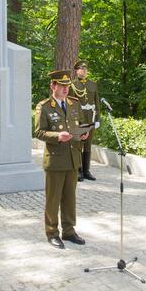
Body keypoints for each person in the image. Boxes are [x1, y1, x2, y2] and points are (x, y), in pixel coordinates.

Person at [34, 70, 89, 249]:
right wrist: (58, 135)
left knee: (69, 198)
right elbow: (38, 132)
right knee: (53, 198)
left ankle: (69, 231)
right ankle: (51, 232)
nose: (66, 89)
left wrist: (83, 134)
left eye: (67, 86)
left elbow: (79, 125)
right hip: (56, 160)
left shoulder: (74, 104)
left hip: (73, 158)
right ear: (53, 86)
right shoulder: (44, 106)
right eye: (62, 86)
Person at [70, 59, 100, 182]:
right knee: (78, 145)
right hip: (79, 118)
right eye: (81, 69)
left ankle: (86, 171)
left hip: (90, 118)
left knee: (88, 145)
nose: (84, 70)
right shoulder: (72, 85)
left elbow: (97, 103)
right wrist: (74, 121)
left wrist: (97, 119)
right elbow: (71, 104)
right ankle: (78, 170)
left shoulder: (93, 84)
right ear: (77, 71)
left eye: (85, 69)